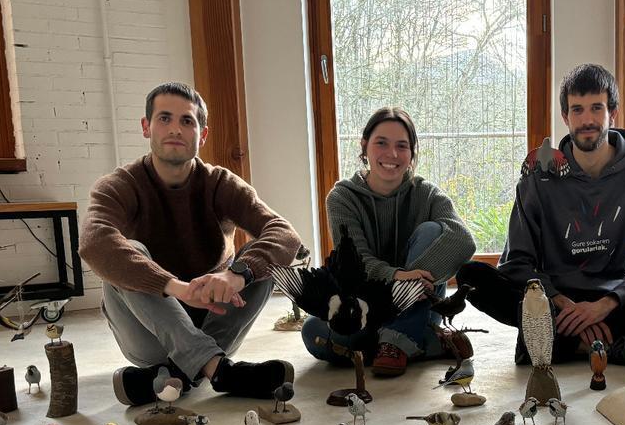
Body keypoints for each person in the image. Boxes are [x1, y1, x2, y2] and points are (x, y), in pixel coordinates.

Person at [458, 63, 625, 367]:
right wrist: (562, 304)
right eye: (577, 110)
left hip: (619, 298)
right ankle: (619, 340)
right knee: (471, 277)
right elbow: (517, 262)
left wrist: (605, 306)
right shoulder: (537, 180)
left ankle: (558, 341)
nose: (587, 119)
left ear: (612, 113)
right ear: (565, 117)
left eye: (596, 107)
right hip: (557, 300)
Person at [80, 82, 302, 406]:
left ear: (203, 134)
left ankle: (166, 379)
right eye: (164, 118)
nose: (175, 129)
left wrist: (236, 275)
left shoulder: (219, 183)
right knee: (126, 255)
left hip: (213, 322)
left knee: (261, 263)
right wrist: (174, 287)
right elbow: (93, 241)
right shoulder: (120, 185)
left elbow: (284, 233)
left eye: (187, 121)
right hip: (148, 330)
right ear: (146, 127)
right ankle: (217, 369)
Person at [301, 106, 476, 377]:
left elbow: (464, 241)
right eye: (381, 143)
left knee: (432, 230)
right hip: (368, 306)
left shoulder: (426, 194)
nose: (392, 154)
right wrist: (398, 278)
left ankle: (397, 341)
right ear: (365, 146)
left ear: (412, 152)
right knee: (313, 331)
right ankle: (419, 340)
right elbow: (357, 263)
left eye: (402, 146)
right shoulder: (342, 198)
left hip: (420, 304)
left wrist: (411, 285)